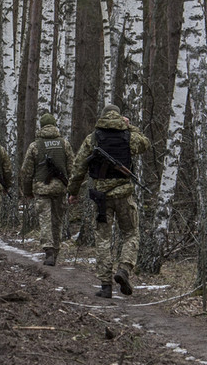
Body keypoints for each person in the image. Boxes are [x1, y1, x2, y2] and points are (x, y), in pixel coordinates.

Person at [67, 104, 150, 298]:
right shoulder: (129, 136)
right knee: (130, 233)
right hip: (124, 194)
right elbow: (145, 143)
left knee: (103, 239)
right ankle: (124, 269)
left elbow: (79, 166)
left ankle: (105, 285)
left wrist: (73, 191)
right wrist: (130, 127)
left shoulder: (93, 138)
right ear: (120, 118)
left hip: (100, 196)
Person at [19, 113, 74, 266]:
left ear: (41, 126)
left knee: (45, 220)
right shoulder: (64, 144)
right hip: (60, 189)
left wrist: (27, 191)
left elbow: (26, 172)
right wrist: (72, 189)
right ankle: (55, 251)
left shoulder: (35, 146)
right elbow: (72, 168)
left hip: (41, 189)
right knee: (57, 221)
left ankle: (48, 250)